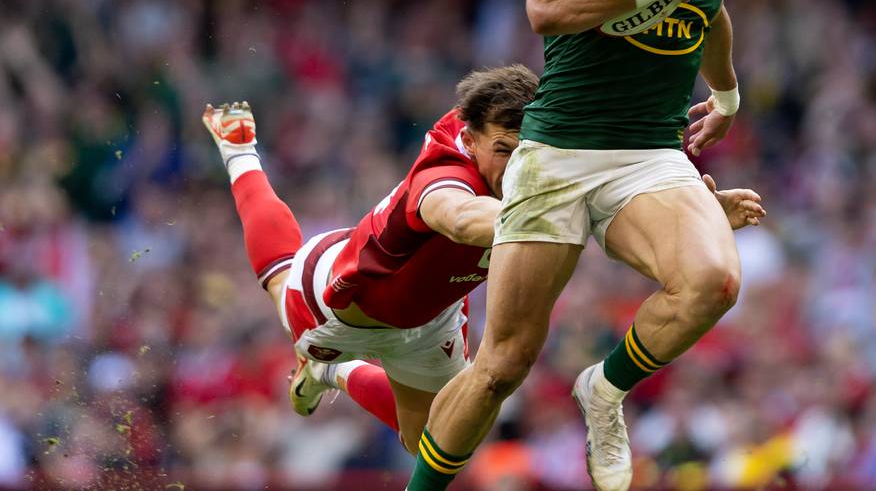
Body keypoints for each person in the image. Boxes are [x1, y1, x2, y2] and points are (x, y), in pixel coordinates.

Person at [411, 0, 742, 491]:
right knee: (502, 364)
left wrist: (727, 92)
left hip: (650, 154)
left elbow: (711, 10)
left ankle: (606, 389)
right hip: (559, 150)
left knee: (713, 282)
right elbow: (546, 4)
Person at [202, 66, 765, 462]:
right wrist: (542, 217)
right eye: (504, 149)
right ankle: (240, 150)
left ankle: (336, 376)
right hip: (344, 304)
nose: (517, 164)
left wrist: (696, 215)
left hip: (433, 318)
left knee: (433, 443)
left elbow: (607, 208)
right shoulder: (442, 178)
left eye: (526, 149)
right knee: (278, 279)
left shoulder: (543, 157)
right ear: (470, 139)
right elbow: (462, 217)